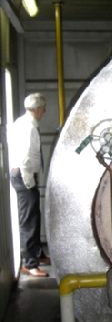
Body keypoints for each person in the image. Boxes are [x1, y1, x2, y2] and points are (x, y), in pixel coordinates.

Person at [9, 93, 50, 277]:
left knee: (34, 215)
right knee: (29, 220)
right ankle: (30, 264)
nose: (45, 111)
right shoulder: (29, 128)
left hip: (24, 175)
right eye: (43, 108)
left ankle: (37, 254)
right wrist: (28, 181)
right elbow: (24, 157)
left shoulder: (22, 123)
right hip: (24, 175)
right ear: (38, 109)